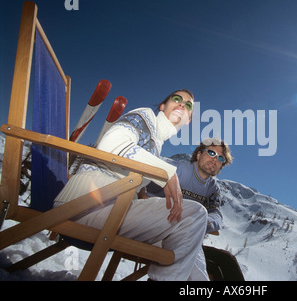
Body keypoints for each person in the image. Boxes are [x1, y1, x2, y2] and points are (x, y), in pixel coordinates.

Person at [53, 89, 210, 281]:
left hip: (111, 209)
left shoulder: (156, 143)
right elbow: (110, 144)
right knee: (194, 215)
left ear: (188, 120)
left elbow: (128, 172)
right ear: (162, 106)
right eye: (177, 99)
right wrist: (167, 173)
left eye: (188, 105)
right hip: (82, 205)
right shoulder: (144, 116)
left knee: (189, 238)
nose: (181, 105)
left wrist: (141, 194)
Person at [144, 138, 245, 280]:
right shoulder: (178, 170)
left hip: (187, 237)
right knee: (183, 256)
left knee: (225, 260)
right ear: (199, 154)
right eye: (211, 152)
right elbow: (144, 182)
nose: (215, 159)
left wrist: (201, 221)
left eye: (220, 158)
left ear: (221, 166)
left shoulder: (212, 188)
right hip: (156, 232)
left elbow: (216, 216)